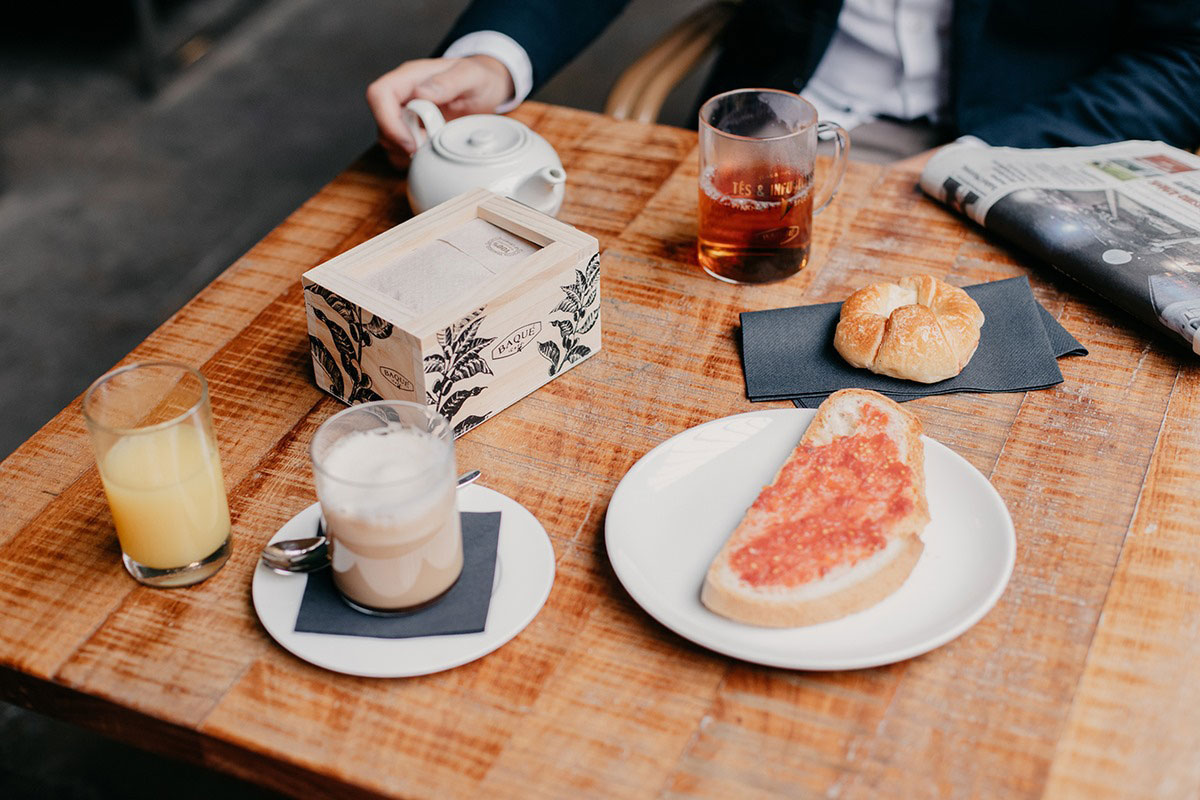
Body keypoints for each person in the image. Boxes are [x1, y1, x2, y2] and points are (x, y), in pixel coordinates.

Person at [367, 0, 1200, 167]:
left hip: (1035, 139)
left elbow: (1183, 58)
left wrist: (986, 160)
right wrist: (493, 57)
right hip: (769, 129)